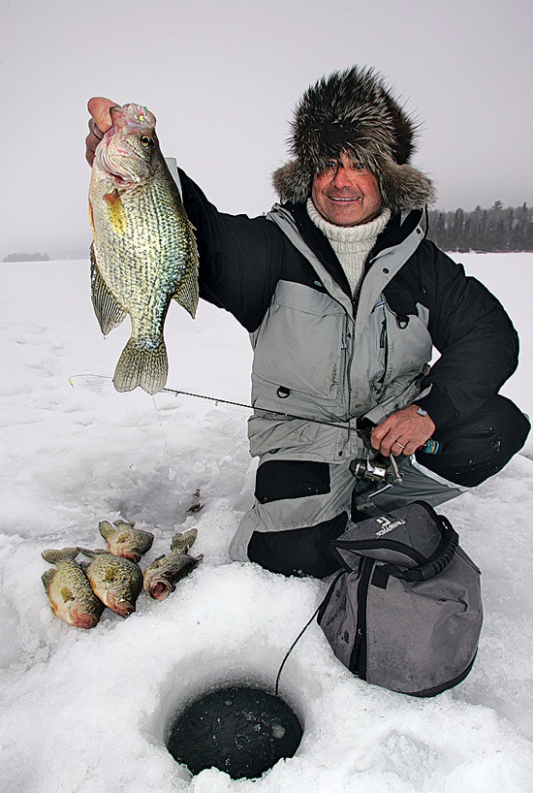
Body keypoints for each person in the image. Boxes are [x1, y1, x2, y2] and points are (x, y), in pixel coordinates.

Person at [86, 66, 530, 579]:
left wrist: (428, 412)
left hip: (394, 432)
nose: (340, 181)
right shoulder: (273, 247)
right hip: (305, 443)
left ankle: (373, 503)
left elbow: (491, 334)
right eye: (326, 164)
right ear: (308, 174)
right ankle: (329, 514)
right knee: (292, 559)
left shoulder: (422, 264)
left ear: (387, 174)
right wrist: (137, 158)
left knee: (497, 426)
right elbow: (198, 236)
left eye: (359, 164)